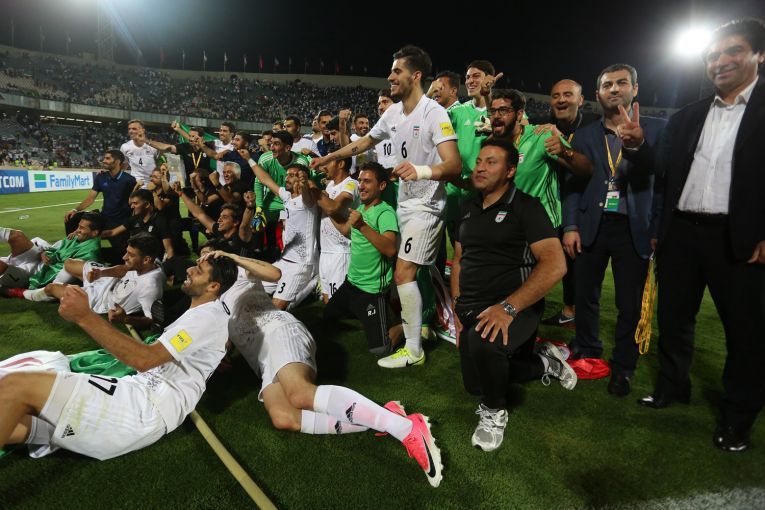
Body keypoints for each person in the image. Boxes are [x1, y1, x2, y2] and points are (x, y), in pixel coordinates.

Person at [640, 18, 765, 452]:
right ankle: (673, 387)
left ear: (759, 55)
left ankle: (738, 418)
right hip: (682, 234)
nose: (720, 61)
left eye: (733, 51)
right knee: (674, 320)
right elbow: (662, 173)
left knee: (746, 333)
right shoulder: (690, 115)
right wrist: (637, 146)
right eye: (712, 55)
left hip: (740, 238)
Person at [216, 250, 443, 487]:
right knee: (284, 418)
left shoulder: (239, 274)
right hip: (263, 360)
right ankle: (385, 415)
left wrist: (232, 257)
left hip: (279, 333)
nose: (195, 268)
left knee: (299, 393)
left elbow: (274, 273)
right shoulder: (211, 307)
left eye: (202, 263)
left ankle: (406, 428)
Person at [0, 254, 238, 461]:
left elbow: (145, 360)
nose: (189, 269)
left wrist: (84, 316)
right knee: (14, 413)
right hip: (140, 396)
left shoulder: (206, 317)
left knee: (17, 385)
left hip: (146, 407)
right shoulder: (205, 313)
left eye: (199, 270)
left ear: (213, 286)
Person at [311, 45, 461, 369]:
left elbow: (454, 165)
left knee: (405, 271)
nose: (390, 77)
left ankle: (414, 350)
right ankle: (420, 325)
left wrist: (421, 170)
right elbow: (365, 142)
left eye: (397, 71)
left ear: (415, 75)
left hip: (427, 205)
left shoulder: (434, 113)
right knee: (407, 270)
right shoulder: (393, 114)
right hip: (405, 202)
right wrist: (331, 157)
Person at [450, 138, 573, 452]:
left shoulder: (527, 207)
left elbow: (556, 264)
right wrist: (457, 306)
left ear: (510, 171)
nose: (480, 167)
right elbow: (460, 260)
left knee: (484, 343)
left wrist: (507, 307)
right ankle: (544, 363)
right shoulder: (467, 208)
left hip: (515, 306)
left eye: (491, 162)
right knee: (474, 384)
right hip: (471, 307)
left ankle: (494, 411)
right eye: (479, 161)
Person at [562, 64, 666, 397]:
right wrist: (570, 225)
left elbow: (664, 183)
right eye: (607, 85)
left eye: (622, 83)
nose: (615, 89)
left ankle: (623, 367)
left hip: (634, 226)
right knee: (584, 295)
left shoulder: (657, 129)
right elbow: (573, 184)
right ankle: (587, 350)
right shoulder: (585, 135)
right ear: (597, 94)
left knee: (629, 304)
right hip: (591, 224)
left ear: (635, 89)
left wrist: (657, 228)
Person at [322, 163, 402, 354]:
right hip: (351, 285)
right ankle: (367, 316)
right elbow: (345, 230)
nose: (361, 186)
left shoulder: (385, 212)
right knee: (327, 318)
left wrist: (362, 226)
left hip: (372, 291)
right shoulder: (361, 209)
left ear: (382, 186)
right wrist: (328, 208)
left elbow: (390, 250)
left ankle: (406, 325)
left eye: (367, 181)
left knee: (381, 349)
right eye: (360, 181)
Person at [30, 233, 165, 328]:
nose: (124, 257)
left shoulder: (150, 287)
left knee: (52, 288)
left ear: (146, 259)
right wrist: (101, 273)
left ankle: (23, 293)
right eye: (127, 252)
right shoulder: (152, 263)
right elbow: (124, 269)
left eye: (130, 255)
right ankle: (73, 285)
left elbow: (151, 320)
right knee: (69, 263)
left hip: (101, 300)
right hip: (109, 281)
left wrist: (125, 319)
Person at [541, 79, 587, 329]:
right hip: (548, 208)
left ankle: (575, 312)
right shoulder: (541, 126)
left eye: (568, 95)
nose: (561, 100)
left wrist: (564, 150)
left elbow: (590, 171)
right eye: (556, 95)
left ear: (581, 100)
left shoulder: (591, 130)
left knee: (576, 262)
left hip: (579, 206)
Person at [251, 163, 319, 310]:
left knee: (277, 307)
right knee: (251, 288)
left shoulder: (308, 200)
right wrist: (248, 159)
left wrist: (305, 185)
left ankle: (313, 283)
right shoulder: (287, 196)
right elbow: (265, 179)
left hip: (301, 264)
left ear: (302, 179)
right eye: (287, 175)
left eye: (292, 175)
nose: (286, 178)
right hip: (283, 261)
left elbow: (306, 196)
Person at [243, 131, 312, 262]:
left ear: (287, 148)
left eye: (276, 144)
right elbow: (259, 182)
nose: (272, 148)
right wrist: (259, 208)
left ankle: (292, 255)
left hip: (293, 200)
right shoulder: (266, 158)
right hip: (273, 199)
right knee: (257, 224)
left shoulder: (301, 162)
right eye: (271, 144)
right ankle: (258, 254)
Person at [0, 213, 103, 294]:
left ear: (94, 233)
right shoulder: (76, 238)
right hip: (38, 258)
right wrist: (42, 253)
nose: (77, 230)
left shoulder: (89, 255)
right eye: (78, 226)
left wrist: (45, 290)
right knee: (17, 235)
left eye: (82, 228)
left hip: (33, 275)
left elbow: (61, 280)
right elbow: (53, 247)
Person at [308, 154, 359, 303]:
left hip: (341, 252)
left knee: (337, 303)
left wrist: (314, 189)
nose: (324, 167)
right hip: (325, 251)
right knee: (327, 300)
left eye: (328, 162)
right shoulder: (330, 185)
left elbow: (333, 208)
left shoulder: (351, 184)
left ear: (341, 164)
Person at [65, 150, 136, 231]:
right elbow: (90, 199)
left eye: (107, 158)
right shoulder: (101, 177)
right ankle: (73, 239)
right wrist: (75, 210)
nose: (104, 161)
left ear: (117, 161)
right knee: (71, 217)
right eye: (104, 158)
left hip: (121, 219)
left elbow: (134, 203)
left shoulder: (129, 180)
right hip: (104, 217)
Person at [174, 183, 252, 258]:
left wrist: (250, 206)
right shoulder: (219, 231)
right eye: (220, 216)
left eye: (225, 217)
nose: (219, 220)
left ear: (235, 222)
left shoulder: (241, 235)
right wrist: (181, 193)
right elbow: (199, 214)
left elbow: (244, 225)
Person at [100, 189, 174, 261]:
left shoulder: (160, 221)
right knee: (101, 253)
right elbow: (112, 232)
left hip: (150, 262)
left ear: (147, 204)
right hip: (134, 259)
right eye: (132, 204)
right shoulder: (134, 219)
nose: (132, 206)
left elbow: (169, 250)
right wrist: (95, 234)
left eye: (135, 203)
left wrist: (168, 267)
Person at [120, 119, 158, 185]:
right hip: (136, 184)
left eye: (134, 129)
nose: (130, 131)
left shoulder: (153, 146)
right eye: (129, 129)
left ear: (143, 130)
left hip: (152, 184)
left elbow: (160, 164)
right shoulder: (125, 147)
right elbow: (124, 165)